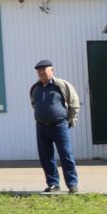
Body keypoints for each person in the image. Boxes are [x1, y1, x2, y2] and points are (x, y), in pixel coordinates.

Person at [28, 59, 81, 193]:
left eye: (44, 70)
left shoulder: (62, 85)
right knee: (46, 157)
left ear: (52, 70)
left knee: (66, 155)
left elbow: (74, 103)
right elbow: (34, 104)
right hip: (41, 127)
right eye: (39, 71)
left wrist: (67, 120)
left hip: (59, 126)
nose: (41, 73)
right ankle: (53, 184)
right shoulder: (35, 88)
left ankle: (72, 184)